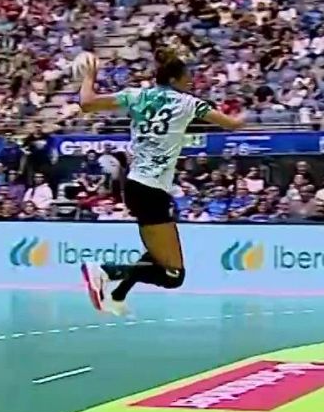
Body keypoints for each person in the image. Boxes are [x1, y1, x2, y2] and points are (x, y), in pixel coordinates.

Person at [74, 50, 244, 314]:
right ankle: (105, 271)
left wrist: (89, 76)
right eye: (187, 78)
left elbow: (86, 103)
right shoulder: (188, 103)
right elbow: (232, 124)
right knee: (173, 274)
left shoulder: (136, 95)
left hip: (135, 186)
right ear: (175, 79)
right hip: (152, 190)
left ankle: (117, 294)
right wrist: (244, 111)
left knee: (158, 255)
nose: (191, 83)